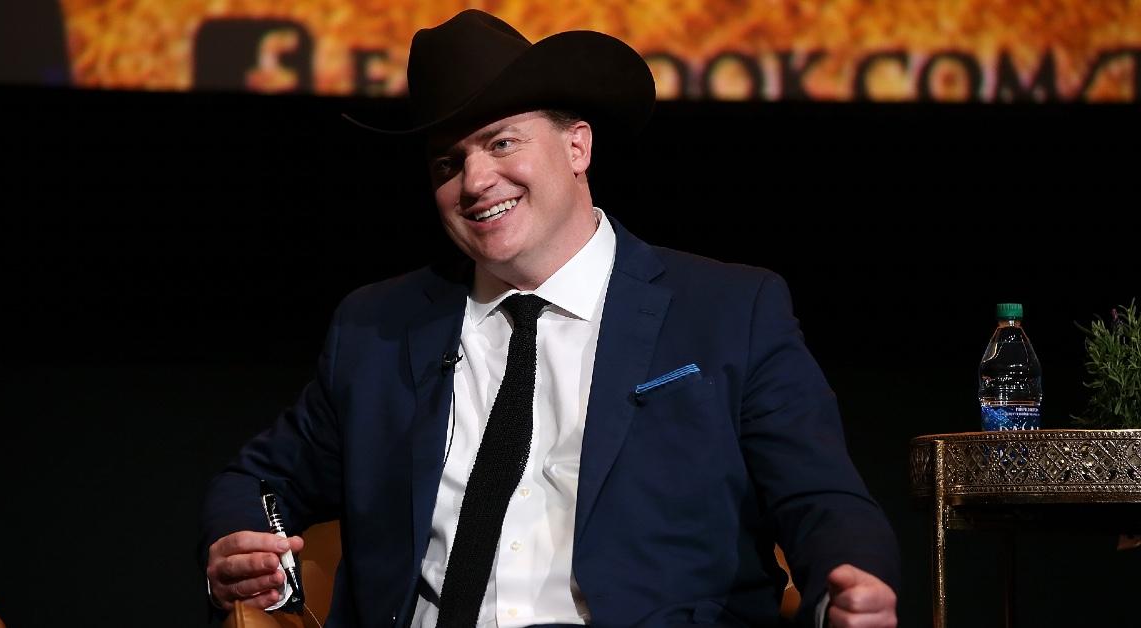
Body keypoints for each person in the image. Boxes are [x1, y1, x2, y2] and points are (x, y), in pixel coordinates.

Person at [201, 9, 898, 628]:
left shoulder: (726, 311)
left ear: (577, 148)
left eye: (501, 143)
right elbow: (258, 482)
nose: (474, 183)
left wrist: (852, 580)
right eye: (449, 162)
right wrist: (247, 554)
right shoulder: (378, 329)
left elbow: (821, 499)